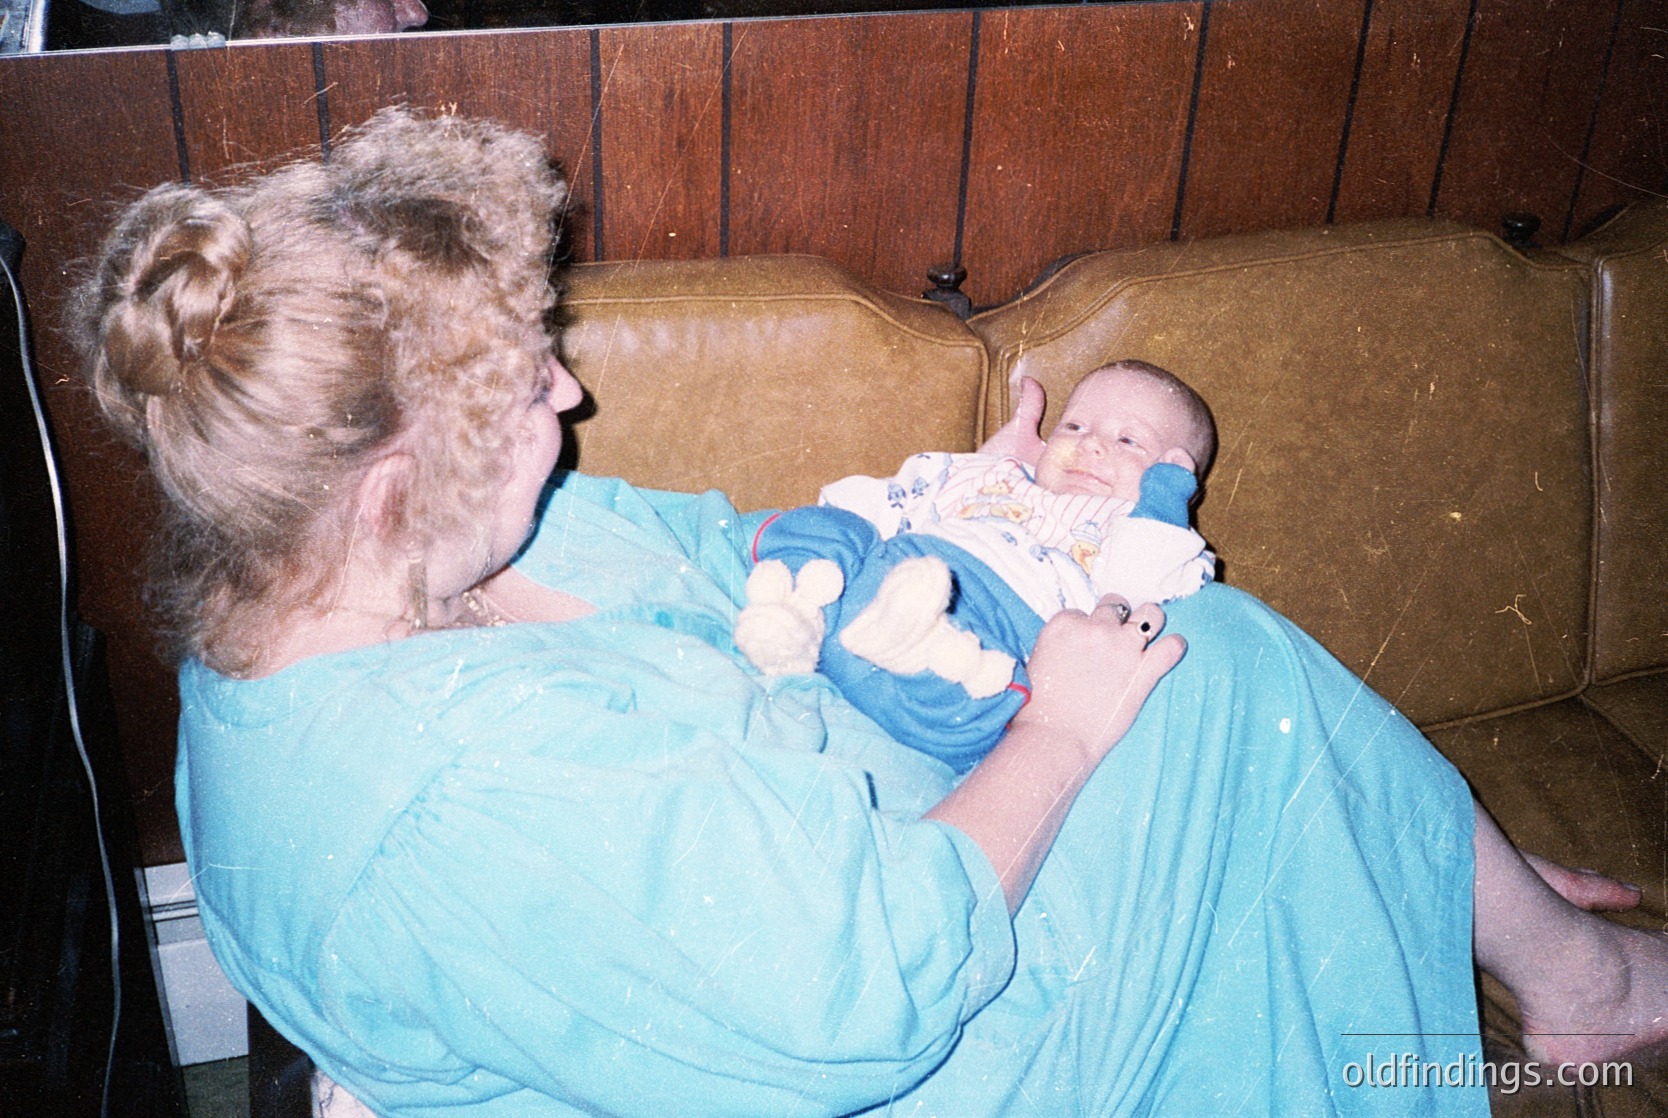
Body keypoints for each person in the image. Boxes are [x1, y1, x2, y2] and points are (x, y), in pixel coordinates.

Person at [73, 107, 1666, 1118]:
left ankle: (1459, 880)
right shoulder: (460, 797)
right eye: (524, 388)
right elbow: (873, 994)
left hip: (866, 813)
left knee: (1248, 708)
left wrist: (944, 511)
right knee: (1215, 668)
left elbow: (710, 547)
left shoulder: (350, 578)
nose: (571, 387)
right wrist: (1061, 720)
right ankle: (1569, 979)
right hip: (936, 1031)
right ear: (385, 481)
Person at [734, 360, 1219, 772]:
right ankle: (794, 614)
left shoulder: (1133, 528)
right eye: (1074, 427)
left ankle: (912, 645)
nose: (1090, 445)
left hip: (996, 620)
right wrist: (974, 466)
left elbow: (1143, 584)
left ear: (1173, 474)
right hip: (894, 572)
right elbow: (896, 495)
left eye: (1129, 442)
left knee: (986, 696)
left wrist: (1163, 500)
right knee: (831, 525)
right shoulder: (995, 475)